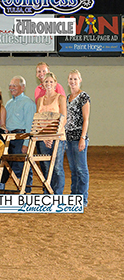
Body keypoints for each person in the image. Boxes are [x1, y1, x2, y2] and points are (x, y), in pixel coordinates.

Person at [36, 72, 67, 194]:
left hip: (58, 137)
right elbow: (38, 120)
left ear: (55, 83)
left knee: (57, 167)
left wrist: (53, 135)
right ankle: (48, 192)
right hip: (44, 137)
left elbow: (63, 118)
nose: (48, 84)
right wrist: (44, 137)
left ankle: (57, 194)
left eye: (51, 81)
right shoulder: (40, 100)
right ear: (43, 84)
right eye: (46, 81)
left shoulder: (60, 98)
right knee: (46, 167)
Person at [4, 76, 36, 192]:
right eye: (10, 86)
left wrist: (26, 143)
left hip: (21, 138)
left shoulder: (28, 103)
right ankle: (19, 190)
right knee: (11, 166)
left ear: (22, 88)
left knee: (23, 167)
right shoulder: (8, 103)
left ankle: (26, 191)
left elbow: (30, 125)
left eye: (14, 85)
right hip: (9, 139)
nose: (11, 88)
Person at [65, 70, 91, 207]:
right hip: (68, 138)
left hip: (79, 138)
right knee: (73, 169)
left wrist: (83, 137)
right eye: (70, 79)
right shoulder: (67, 98)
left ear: (80, 80)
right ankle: (74, 196)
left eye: (75, 79)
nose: (73, 81)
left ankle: (82, 198)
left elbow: (86, 119)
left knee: (81, 169)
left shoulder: (83, 97)